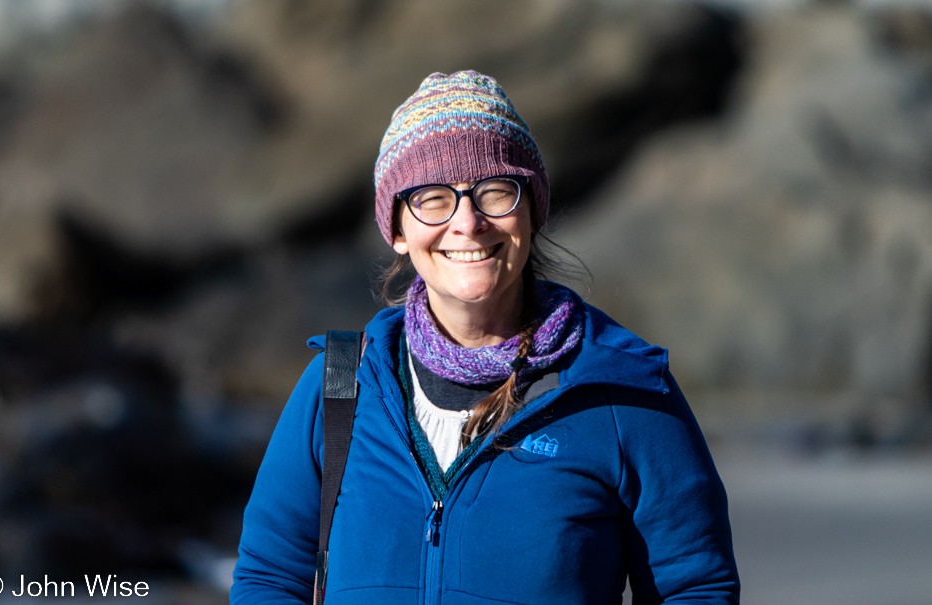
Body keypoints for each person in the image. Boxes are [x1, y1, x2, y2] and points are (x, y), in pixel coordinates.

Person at [230, 71, 739, 605]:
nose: (467, 223)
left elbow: (696, 587)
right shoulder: (340, 385)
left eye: (495, 191)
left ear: (531, 210)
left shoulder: (623, 389)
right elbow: (270, 576)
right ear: (398, 230)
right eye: (432, 198)